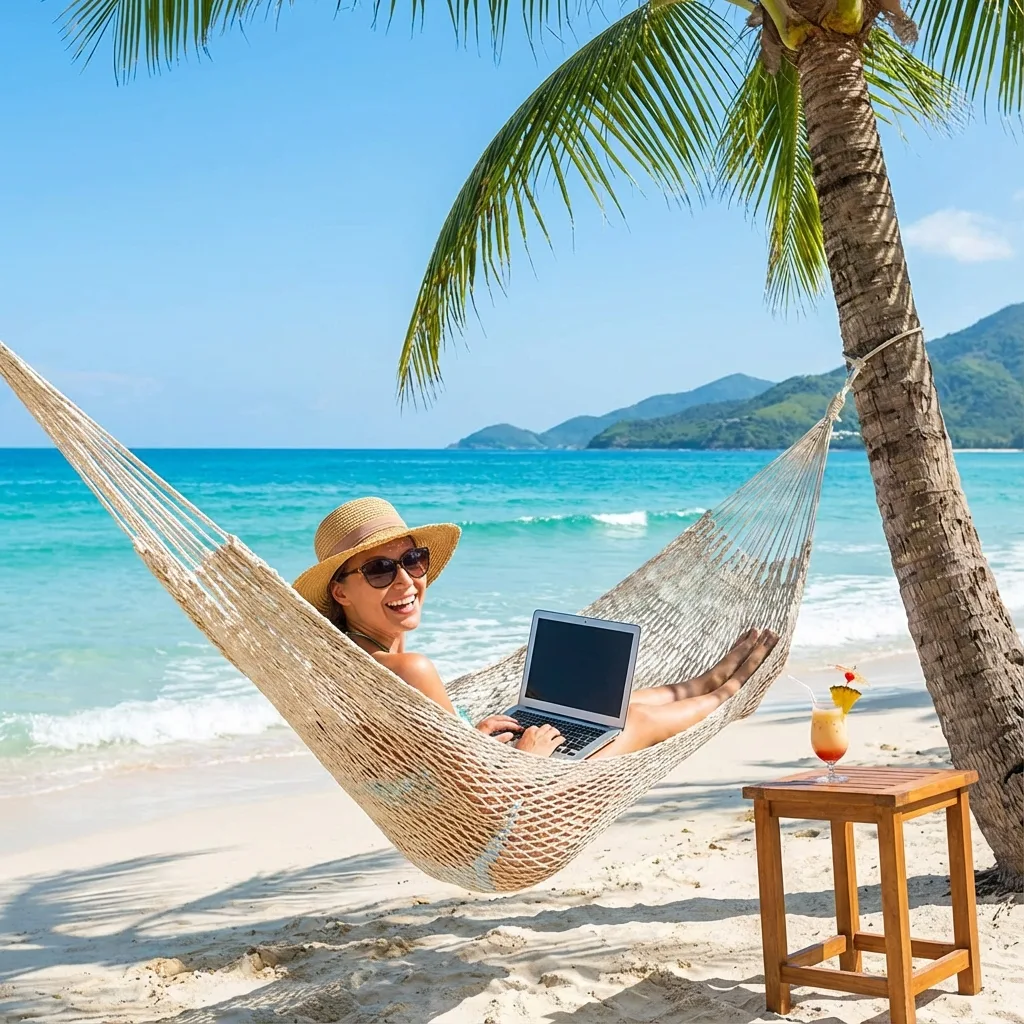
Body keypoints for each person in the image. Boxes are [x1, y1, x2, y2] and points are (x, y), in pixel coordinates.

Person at [293, 497, 779, 758]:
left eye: (412, 560)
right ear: (340, 592)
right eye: (380, 569)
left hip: (485, 776)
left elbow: (430, 756)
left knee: (612, 707)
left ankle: (711, 679)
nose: (405, 580)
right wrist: (527, 756)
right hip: (506, 814)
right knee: (637, 720)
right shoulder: (410, 668)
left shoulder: (356, 663)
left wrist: (474, 733)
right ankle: (731, 690)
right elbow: (471, 786)